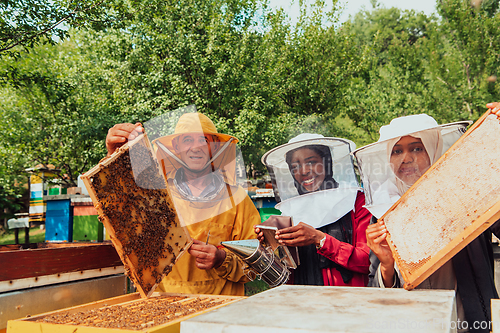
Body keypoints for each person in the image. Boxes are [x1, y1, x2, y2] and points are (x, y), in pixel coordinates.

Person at [355, 107, 500, 332]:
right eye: (396, 151)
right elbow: (379, 289)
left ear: (433, 149)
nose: (406, 158)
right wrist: (386, 265)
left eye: (417, 148)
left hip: (466, 323)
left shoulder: (467, 195)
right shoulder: (385, 215)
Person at [105, 110, 261, 296]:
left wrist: (222, 258)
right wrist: (114, 158)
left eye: (204, 140)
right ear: (176, 147)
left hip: (220, 313)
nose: (196, 147)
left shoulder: (238, 199)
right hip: (163, 307)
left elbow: (255, 265)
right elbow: (122, 230)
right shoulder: (154, 194)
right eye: (188, 140)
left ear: (216, 147)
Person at [255, 133, 371, 286]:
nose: (303, 171)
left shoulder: (355, 201)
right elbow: (286, 273)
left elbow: (369, 261)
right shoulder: (291, 210)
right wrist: (270, 247)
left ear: (326, 163)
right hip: (303, 301)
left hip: (349, 300)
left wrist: (320, 239)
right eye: (295, 166)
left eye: (311, 162)